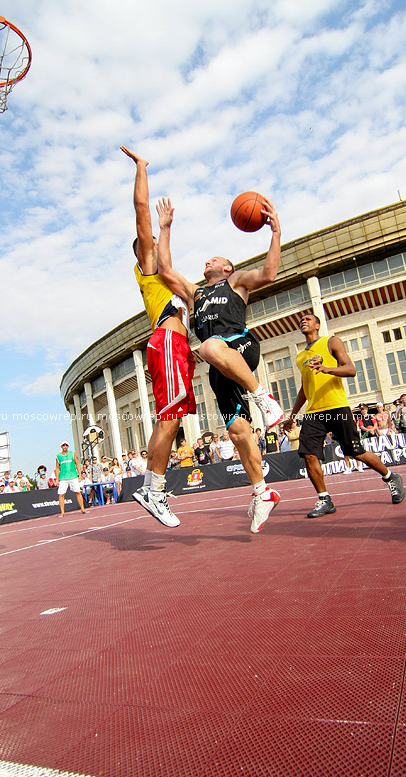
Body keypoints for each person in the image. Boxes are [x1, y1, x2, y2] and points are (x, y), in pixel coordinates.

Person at [156, 196, 282, 533]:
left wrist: (275, 232)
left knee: (210, 345)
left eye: (216, 258)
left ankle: (263, 397)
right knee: (239, 431)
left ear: (226, 268)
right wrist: (165, 228)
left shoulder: (237, 281)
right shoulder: (195, 293)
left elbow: (270, 273)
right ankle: (261, 493)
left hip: (239, 346)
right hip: (219, 367)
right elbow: (165, 270)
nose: (208, 260)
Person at [121, 146, 196, 528]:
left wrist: (167, 229)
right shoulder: (148, 267)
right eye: (147, 239)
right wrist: (142, 168)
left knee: (173, 418)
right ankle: (153, 488)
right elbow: (141, 208)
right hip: (166, 341)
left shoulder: (166, 275)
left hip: (178, 346)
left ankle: (153, 485)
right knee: (168, 418)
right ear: (142, 251)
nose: (150, 240)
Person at [284, 313, 406, 517]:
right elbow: (305, 388)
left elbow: (351, 369)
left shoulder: (331, 341)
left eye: (308, 319)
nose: (303, 321)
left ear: (317, 324)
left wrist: (326, 368)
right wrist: (293, 415)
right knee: (308, 453)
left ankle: (390, 477)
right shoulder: (300, 357)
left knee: (356, 451)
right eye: (301, 320)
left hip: (337, 407)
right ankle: (325, 499)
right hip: (314, 412)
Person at [55, 441, 87, 517]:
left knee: (78, 492)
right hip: (63, 477)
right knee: (61, 494)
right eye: (63, 445)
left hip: (73, 476)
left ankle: (82, 509)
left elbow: (77, 464)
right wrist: (57, 479)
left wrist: (79, 474)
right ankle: (62, 512)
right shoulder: (58, 456)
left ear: (68, 446)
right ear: (61, 447)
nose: (65, 446)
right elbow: (57, 468)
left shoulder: (72, 453)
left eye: (66, 445)